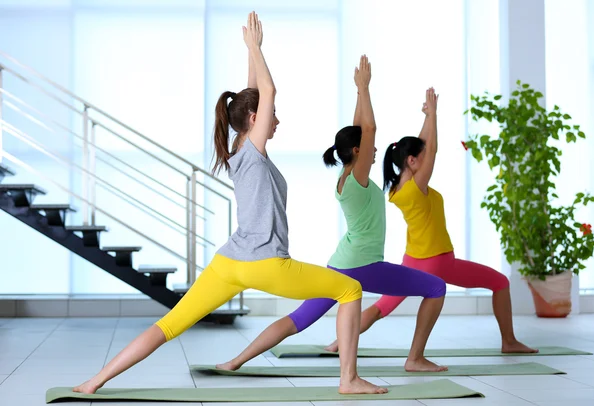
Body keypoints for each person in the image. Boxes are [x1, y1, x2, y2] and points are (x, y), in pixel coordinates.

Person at [73, 12, 387, 395]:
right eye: (270, 118)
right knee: (350, 289)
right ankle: (348, 380)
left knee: (169, 325)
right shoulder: (252, 149)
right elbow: (266, 93)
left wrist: (251, 53)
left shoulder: (240, 146)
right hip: (267, 263)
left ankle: (96, 381)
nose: (277, 122)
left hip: (228, 264)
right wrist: (255, 48)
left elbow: (252, 94)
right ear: (254, 120)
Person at [217, 57, 448, 374]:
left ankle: (236, 361)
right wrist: (366, 88)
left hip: (340, 262)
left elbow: (359, 130)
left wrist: (357, 93)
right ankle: (415, 358)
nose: (374, 149)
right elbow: (368, 129)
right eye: (367, 147)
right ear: (357, 151)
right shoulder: (359, 177)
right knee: (436, 288)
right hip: (363, 266)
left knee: (297, 320)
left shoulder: (346, 175)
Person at [326, 88, 537, 354]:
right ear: (412, 161)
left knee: (382, 307)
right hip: (438, 261)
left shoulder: (397, 189)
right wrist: (434, 115)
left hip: (413, 259)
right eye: (421, 159)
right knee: (500, 282)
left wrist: (426, 118)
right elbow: (432, 150)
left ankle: (337, 343)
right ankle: (508, 341)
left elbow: (423, 147)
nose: (427, 161)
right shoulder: (417, 187)